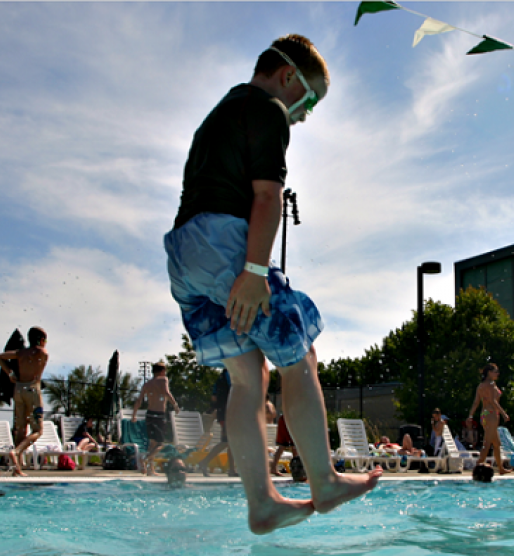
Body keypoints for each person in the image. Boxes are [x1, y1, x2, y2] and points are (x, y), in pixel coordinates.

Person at [163, 33, 380, 533]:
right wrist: (255, 272)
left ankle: (261, 503)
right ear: (288, 78)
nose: (306, 114)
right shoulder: (267, 110)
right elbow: (266, 198)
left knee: (247, 376)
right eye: (310, 100)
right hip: (225, 242)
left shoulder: (220, 112)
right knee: (297, 356)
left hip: (183, 254)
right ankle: (324, 482)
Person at [0, 326, 49, 477]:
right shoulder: (42, 353)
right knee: (38, 430)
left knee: (21, 428)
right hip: (32, 389)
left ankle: (16, 469)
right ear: (41, 340)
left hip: (18, 389)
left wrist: (10, 373)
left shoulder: (20, 353)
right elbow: (39, 371)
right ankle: (16, 451)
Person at [131, 362, 181, 476]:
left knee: (152, 444)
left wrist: (134, 415)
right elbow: (166, 392)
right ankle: (145, 458)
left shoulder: (147, 384)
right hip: (159, 415)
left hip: (149, 415)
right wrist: (175, 405)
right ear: (162, 371)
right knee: (160, 444)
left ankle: (150, 470)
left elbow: (139, 400)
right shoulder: (163, 380)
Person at [468, 363, 511, 475]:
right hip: (492, 414)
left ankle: (501, 468)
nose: (497, 373)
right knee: (487, 443)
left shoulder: (481, 386)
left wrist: (471, 415)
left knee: (496, 443)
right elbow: (493, 401)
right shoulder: (491, 384)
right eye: (495, 371)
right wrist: (504, 413)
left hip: (484, 414)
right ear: (489, 372)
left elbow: (476, 402)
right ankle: (477, 467)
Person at [196, 369, 237, 477]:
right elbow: (234, 392)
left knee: (231, 443)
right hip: (228, 413)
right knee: (226, 442)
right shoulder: (230, 376)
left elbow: (214, 397)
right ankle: (204, 462)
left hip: (224, 412)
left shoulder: (220, 379)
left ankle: (232, 470)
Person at [271, 412, 297, 477]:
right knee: (295, 445)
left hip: (284, 418)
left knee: (282, 446)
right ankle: (296, 469)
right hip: (291, 418)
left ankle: (273, 467)